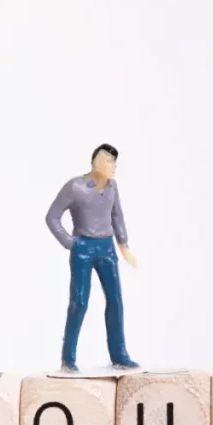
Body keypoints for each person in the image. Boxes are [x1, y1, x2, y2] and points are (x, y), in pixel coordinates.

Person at [45, 143, 140, 372]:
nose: (113, 166)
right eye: (108, 161)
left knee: (115, 300)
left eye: (114, 162)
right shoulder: (75, 187)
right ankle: (68, 359)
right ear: (97, 161)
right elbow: (52, 217)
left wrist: (124, 245)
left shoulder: (112, 187)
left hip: (107, 247)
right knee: (79, 301)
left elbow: (117, 216)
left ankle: (119, 355)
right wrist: (71, 243)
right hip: (83, 247)